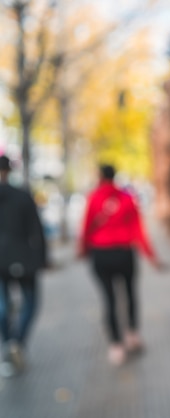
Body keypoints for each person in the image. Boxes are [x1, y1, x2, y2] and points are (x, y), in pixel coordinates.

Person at [78, 164, 161, 366]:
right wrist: (151, 255)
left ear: (99, 176)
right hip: (124, 254)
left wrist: (82, 250)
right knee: (130, 293)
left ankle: (116, 345)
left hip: (101, 255)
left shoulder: (94, 197)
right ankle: (132, 333)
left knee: (109, 299)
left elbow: (86, 227)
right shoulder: (126, 197)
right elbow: (138, 229)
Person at [0, 155, 47, 378]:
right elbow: (37, 230)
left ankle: (10, 343)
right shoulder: (22, 196)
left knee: (3, 306)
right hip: (24, 260)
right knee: (30, 302)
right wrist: (42, 259)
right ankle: (16, 343)